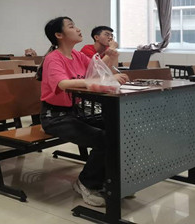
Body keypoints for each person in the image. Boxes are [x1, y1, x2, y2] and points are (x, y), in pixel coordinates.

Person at [38, 17, 128, 207]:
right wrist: (92, 82)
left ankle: (110, 179)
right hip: (55, 117)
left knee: (119, 129)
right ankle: (86, 183)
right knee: (103, 139)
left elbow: (98, 70)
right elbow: (63, 84)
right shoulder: (53, 58)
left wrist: (111, 56)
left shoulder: (77, 55)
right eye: (71, 26)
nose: (78, 29)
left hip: (77, 112)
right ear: (59, 35)